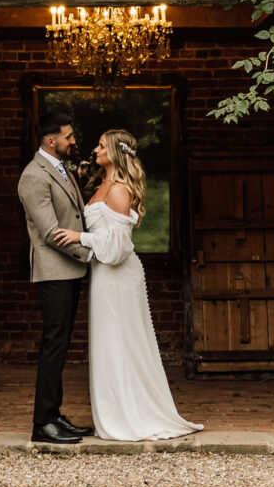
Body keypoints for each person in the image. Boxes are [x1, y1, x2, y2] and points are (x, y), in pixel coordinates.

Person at [83, 128, 201, 443]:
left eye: (100, 145)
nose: (95, 150)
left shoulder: (119, 190)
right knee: (108, 342)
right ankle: (114, 410)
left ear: (115, 152)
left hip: (117, 274)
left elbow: (119, 247)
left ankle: (128, 415)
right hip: (103, 274)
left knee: (121, 342)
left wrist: (81, 238)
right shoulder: (102, 184)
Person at [16, 112, 97, 445]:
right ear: (51, 141)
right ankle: (42, 423)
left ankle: (54, 415)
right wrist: (91, 252)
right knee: (53, 344)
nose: (73, 141)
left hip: (69, 270)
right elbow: (51, 232)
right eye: (69, 136)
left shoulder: (59, 168)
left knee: (60, 344)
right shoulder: (33, 176)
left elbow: (74, 211)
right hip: (55, 270)